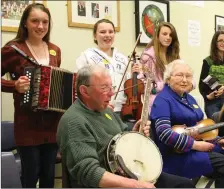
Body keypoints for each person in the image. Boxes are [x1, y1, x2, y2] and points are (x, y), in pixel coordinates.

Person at [56, 64, 196, 188]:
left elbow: (122, 134)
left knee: (184, 185)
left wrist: (134, 132)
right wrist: (136, 185)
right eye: (104, 88)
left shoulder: (105, 111)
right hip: (109, 183)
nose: (111, 93)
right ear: (84, 91)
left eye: (112, 87)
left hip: (129, 174)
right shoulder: (73, 121)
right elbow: (89, 172)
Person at [150, 60, 224, 188]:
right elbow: (164, 133)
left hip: (196, 147)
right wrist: (196, 145)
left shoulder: (188, 98)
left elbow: (199, 129)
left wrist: (218, 140)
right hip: (176, 155)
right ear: (168, 79)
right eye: (180, 75)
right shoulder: (163, 99)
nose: (185, 80)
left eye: (188, 76)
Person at [1, 3, 61, 188]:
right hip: (27, 124)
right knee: (30, 175)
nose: (40, 26)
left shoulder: (55, 50)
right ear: (25, 23)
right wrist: (14, 85)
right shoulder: (13, 49)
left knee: (49, 175)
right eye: (35, 21)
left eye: (45, 22)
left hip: (52, 124)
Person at [76, 19, 140, 128]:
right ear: (95, 36)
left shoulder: (123, 58)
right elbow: (81, 88)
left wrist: (135, 73)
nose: (107, 35)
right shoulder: (86, 56)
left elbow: (128, 86)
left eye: (111, 32)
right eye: (102, 32)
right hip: (99, 111)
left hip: (123, 110)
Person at [139, 21, 185, 111]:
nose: (168, 37)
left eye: (171, 35)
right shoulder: (148, 56)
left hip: (173, 99)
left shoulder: (175, 56)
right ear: (157, 36)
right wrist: (164, 85)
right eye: (164, 34)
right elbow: (142, 85)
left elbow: (186, 77)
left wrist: (189, 84)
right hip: (155, 102)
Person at [198, 30, 224, 118]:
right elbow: (201, 84)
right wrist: (207, 97)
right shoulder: (207, 61)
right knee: (215, 128)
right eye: (220, 40)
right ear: (215, 43)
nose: (223, 43)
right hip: (213, 101)